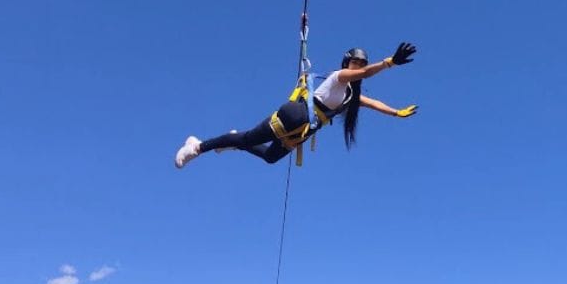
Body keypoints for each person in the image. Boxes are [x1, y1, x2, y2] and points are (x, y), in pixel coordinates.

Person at [174, 42, 418, 168]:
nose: (359, 66)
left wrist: (396, 113)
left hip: (302, 130)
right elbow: (365, 73)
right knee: (248, 139)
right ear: (347, 63)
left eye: (361, 63)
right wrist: (388, 62)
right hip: (295, 116)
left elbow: (373, 103)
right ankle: (197, 147)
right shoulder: (339, 76)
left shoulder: (350, 96)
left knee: (270, 157)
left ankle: (233, 140)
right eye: (356, 62)